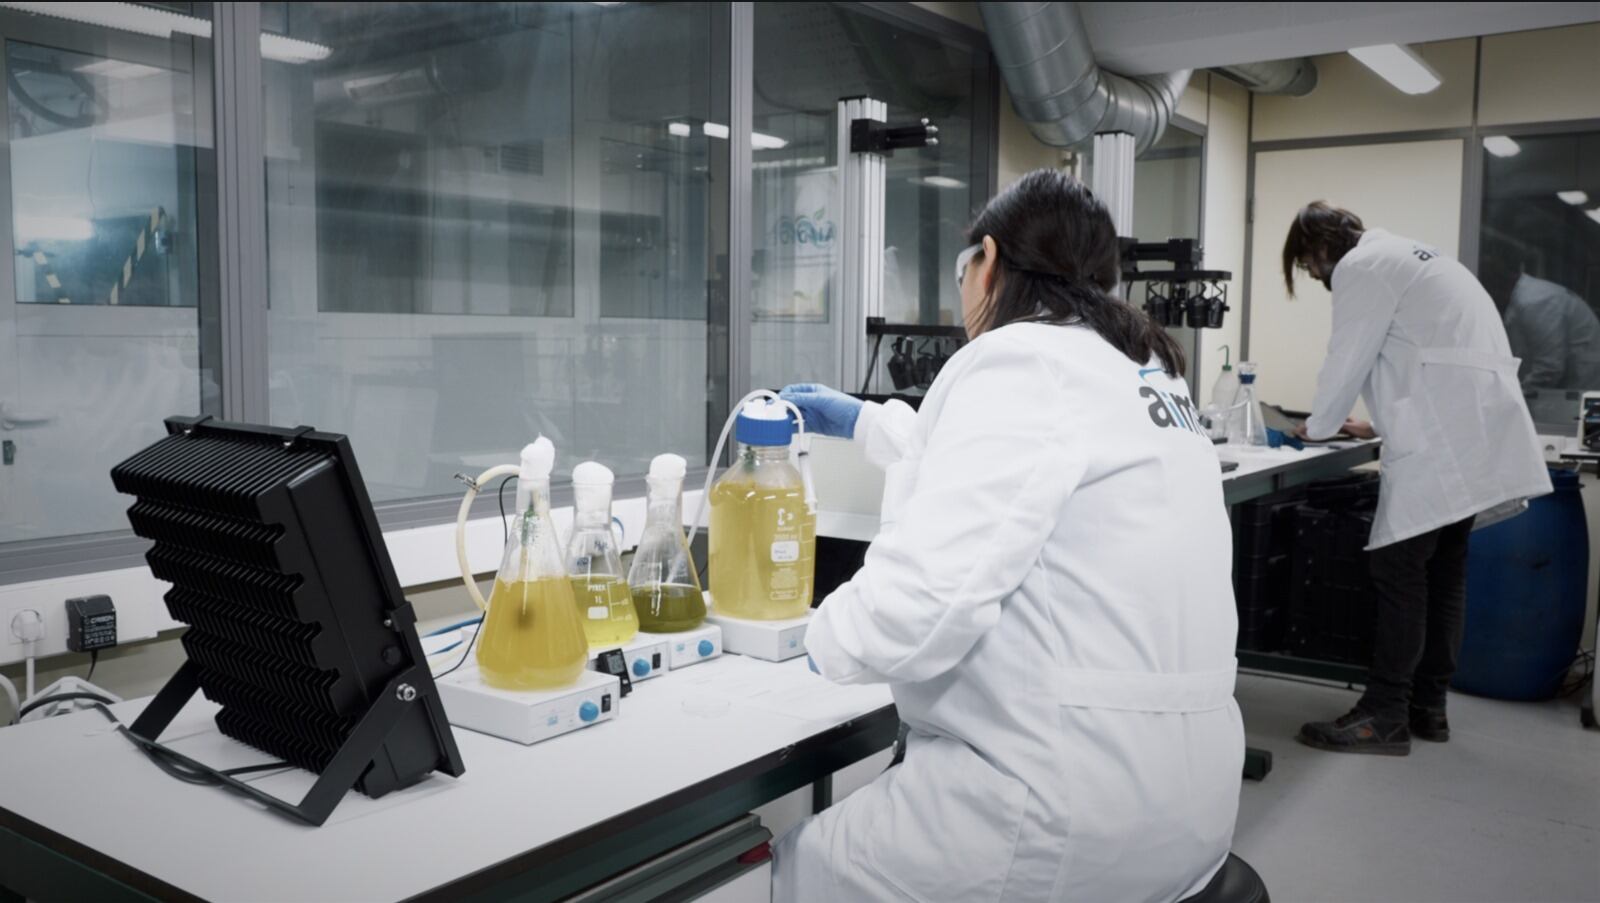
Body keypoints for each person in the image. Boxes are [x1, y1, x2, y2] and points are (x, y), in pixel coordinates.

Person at [771, 170, 1243, 903]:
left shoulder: (1017, 359)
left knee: (788, 867)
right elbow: (1016, 464)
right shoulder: (1144, 370)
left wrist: (817, 639)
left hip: (1063, 809)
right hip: (1191, 799)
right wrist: (868, 421)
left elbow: (921, 607)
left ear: (988, 259)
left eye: (965, 268)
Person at [1284, 202, 1551, 755]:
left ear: (1322, 247)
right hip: (1471, 431)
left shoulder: (1362, 265)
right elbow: (1427, 357)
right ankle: (1429, 706)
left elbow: (1348, 354)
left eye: (1308, 264)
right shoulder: (1415, 257)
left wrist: (1320, 425)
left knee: (1398, 568)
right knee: (1444, 570)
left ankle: (1384, 714)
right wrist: (1374, 424)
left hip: (1445, 440)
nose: (1313, 274)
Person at [1478, 240, 1600, 430]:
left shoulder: (1535, 301)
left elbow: (1549, 367)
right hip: (1570, 395)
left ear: (1500, 278)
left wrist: (1513, 398)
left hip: (1579, 394)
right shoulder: (1523, 298)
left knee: (1583, 436)